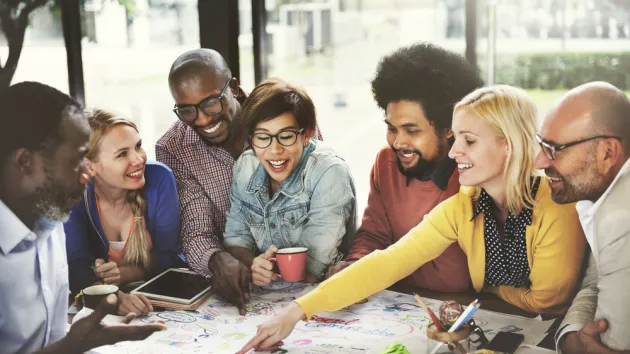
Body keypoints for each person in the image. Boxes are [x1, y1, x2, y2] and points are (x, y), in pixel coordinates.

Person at [238, 85, 588, 353]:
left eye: (468, 140)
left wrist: (491, 291)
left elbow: (546, 301)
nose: (454, 152)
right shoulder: (464, 205)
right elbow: (389, 262)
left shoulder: (556, 202)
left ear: (508, 145)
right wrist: (295, 312)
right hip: (502, 329)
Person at [0, 82, 164, 354]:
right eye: (76, 161)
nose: (87, 176)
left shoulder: (51, 223)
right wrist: (68, 349)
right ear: (25, 162)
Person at [156, 48, 322, 315]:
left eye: (211, 102)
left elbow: (321, 196)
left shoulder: (285, 109)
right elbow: (196, 231)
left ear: (232, 87)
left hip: (308, 273)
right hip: (240, 285)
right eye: (186, 110)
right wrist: (217, 259)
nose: (202, 119)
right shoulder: (174, 147)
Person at [325, 43, 483, 292]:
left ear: (449, 127)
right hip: (399, 305)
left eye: (412, 130)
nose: (398, 142)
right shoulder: (385, 164)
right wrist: (354, 264)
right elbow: (375, 235)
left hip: (463, 310)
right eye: (391, 128)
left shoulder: (476, 174)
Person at [223, 78, 356, 285]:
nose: (275, 150)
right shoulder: (245, 166)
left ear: (307, 135)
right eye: (262, 137)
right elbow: (235, 240)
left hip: (322, 291)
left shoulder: (329, 171)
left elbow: (312, 266)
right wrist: (255, 264)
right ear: (250, 139)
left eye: (286, 136)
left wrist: (267, 270)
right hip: (270, 294)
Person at [535, 82, 630, 353]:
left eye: (554, 149)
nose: (538, 161)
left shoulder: (622, 217)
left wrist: (577, 344)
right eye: (541, 144)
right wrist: (572, 336)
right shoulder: (596, 194)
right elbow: (595, 281)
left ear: (607, 154)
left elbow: (611, 345)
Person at [64, 109, 182, 316]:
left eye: (138, 146)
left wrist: (126, 273)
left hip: (159, 299)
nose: (139, 159)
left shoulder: (160, 178)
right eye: (122, 154)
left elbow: (169, 257)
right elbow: (75, 269)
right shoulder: (73, 195)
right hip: (100, 305)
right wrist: (114, 298)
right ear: (89, 166)